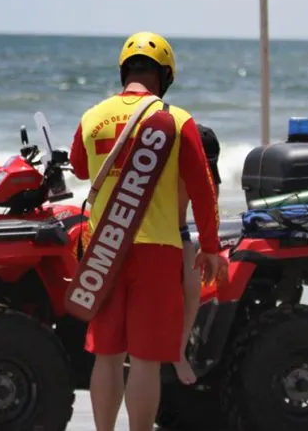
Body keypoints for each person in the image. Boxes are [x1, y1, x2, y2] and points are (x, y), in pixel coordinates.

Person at [68, 31, 228, 431]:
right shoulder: (177, 121)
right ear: (165, 76)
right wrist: (210, 248)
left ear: (125, 71)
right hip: (158, 252)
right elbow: (203, 191)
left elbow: (82, 169)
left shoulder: (92, 117)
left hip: (105, 248)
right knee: (145, 360)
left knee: (105, 356)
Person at [173, 123, 223, 386]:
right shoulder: (162, 154)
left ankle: (179, 351)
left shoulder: (206, 156)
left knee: (192, 286)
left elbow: (211, 197)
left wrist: (209, 245)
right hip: (147, 230)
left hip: (179, 230)